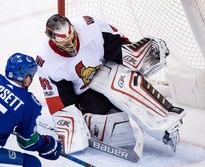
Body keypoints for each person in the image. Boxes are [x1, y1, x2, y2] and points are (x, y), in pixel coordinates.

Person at [36, 14, 186, 155]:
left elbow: (119, 45)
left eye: (72, 37)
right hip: (84, 94)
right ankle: (89, 118)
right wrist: (73, 130)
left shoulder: (90, 26)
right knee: (115, 126)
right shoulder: (47, 62)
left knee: (128, 84)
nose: (71, 43)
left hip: (107, 70)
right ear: (52, 39)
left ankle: (165, 127)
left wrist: (141, 56)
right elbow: (59, 99)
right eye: (65, 42)